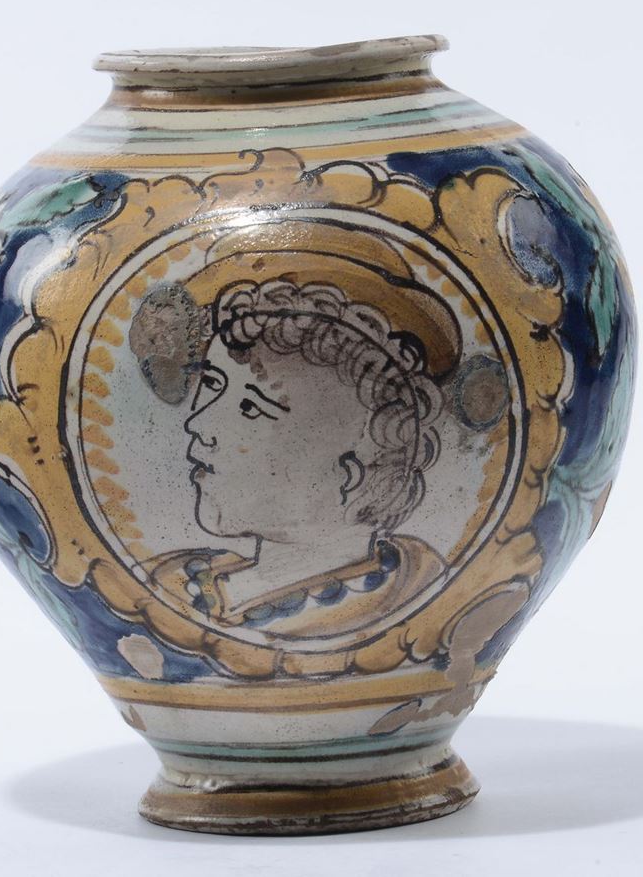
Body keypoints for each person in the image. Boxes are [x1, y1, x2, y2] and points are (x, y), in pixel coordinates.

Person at [132, 273, 456, 641]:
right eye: (212, 385)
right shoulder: (169, 578)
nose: (199, 424)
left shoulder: (404, 606)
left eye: (251, 407)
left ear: (354, 474)